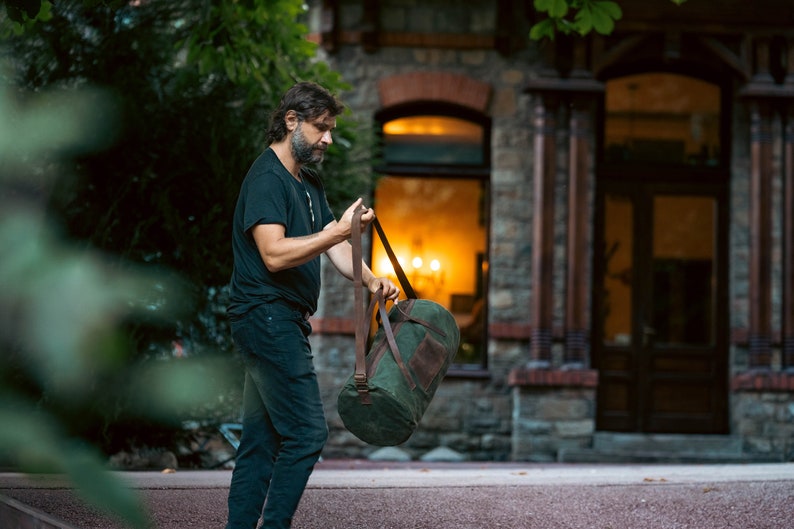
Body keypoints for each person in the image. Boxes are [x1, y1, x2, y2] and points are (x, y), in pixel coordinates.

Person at [225, 82, 400, 529]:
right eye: (321, 128)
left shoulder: (308, 181)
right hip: (266, 316)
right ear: (291, 121)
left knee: (261, 442)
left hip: (278, 319)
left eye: (331, 129)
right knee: (306, 433)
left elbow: (334, 248)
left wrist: (371, 279)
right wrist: (337, 233)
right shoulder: (267, 178)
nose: (328, 139)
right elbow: (275, 253)